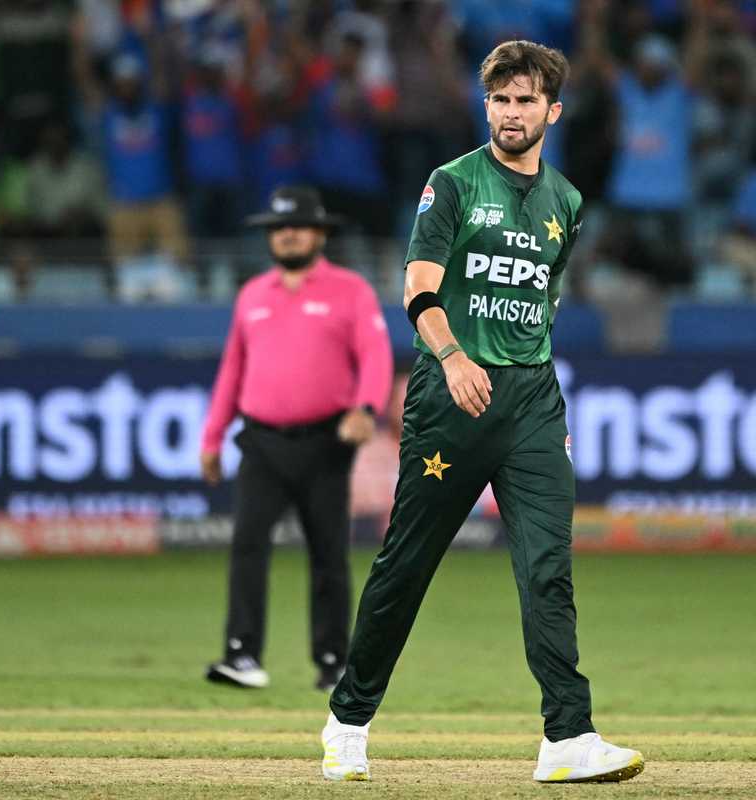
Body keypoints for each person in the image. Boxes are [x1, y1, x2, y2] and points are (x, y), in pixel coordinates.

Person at [318, 41, 644, 785]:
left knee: (547, 569)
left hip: (529, 402)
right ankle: (348, 721)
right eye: (500, 99)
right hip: (452, 397)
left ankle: (567, 737)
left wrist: (547, 403)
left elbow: (540, 309)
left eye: (526, 100)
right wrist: (453, 358)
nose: (511, 112)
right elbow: (417, 290)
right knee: (408, 565)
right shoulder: (453, 184)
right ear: (486, 104)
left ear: (551, 112)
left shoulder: (566, 202)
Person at [200, 185, 393, 692]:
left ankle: (333, 662)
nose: (286, 235)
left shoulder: (351, 290)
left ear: (320, 234)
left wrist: (366, 407)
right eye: (278, 228)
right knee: (246, 543)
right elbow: (232, 370)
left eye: (297, 226)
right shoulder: (252, 295)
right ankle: (242, 656)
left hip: (325, 441)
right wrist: (211, 436)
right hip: (261, 441)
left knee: (327, 551)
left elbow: (375, 354)